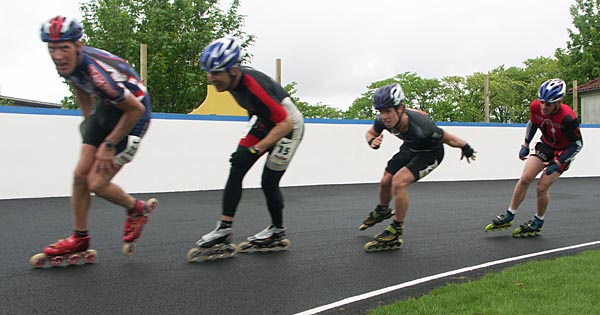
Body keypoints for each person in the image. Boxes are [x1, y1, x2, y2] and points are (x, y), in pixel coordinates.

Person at [34, 16, 157, 261]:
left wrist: (109, 144)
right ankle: (80, 237)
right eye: (52, 49)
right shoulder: (68, 64)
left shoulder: (99, 75)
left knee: (96, 183)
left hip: (134, 114)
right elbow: (80, 86)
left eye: (63, 48)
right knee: (79, 174)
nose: (57, 55)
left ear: (78, 46)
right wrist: (88, 119)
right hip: (109, 108)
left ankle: (137, 209)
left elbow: (135, 110)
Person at [188, 37, 304, 260]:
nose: (211, 79)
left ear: (233, 70)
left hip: (289, 126)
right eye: (208, 73)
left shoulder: (252, 84)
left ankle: (277, 230)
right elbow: (257, 111)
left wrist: (254, 149)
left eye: (216, 73)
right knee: (237, 166)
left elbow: (286, 123)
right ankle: (224, 228)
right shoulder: (231, 81)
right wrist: (247, 147)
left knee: (268, 182)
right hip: (267, 120)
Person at [360, 83, 476, 252]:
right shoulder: (383, 120)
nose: (383, 116)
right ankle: (383, 210)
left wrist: (466, 148)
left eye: (387, 111)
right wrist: (372, 141)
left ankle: (396, 228)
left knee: (398, 183)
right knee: (385, 181)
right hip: (410, 147)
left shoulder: (423, 126)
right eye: (380, 111)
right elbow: (370, 133)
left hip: (431, 152)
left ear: (400, 109)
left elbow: (448, 138)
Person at [485, 78, 583, 237]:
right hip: (546, 144)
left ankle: (538, 220)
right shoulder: (536, 107)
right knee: (525, 177)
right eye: (542, 102)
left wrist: (558, 163)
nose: (544, 106)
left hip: (563, 151)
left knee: (542, 187)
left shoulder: (568, 118)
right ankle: (509, 214)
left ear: (558, 102)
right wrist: (525, 144)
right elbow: (533, 123)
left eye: (548, 104)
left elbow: (577, 145)